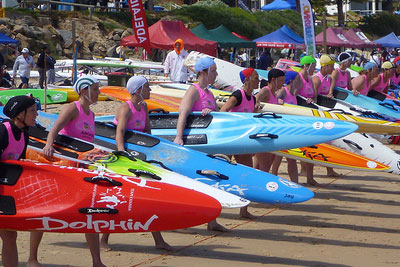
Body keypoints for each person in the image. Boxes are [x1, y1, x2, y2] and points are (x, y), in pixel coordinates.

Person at [32, 76, 106, 267]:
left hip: (81, 169)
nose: (99, 92)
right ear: (84, 91)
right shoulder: (73, 108)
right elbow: (54, 128)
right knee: (45, 209)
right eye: (96, 89)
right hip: (63, 167)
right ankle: (32, 258)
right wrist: (48, 145)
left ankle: (96, 261)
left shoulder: (91, 115)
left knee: (90, 212)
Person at [100, 76, 173, 252]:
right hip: (125, 160)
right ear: (138, 90)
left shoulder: (144, 106)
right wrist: (121, 152)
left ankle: (159, 240)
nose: (150, 90)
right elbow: (120, 132)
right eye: (147, 87)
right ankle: (103, 240)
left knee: (148, 198)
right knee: (118, 200)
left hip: (140, 158)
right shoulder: (126, 108)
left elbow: (148, 132)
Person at [173, 57, 227, 231]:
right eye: (213, 71)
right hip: (195, 144)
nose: (216, 74)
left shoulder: (209, 93)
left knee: (211, 181)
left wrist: (210, 111)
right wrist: (178, 137)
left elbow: (217, 116)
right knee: (193, 182)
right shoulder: (194, 90)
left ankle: (212, 221)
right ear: (203, 73)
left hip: (209, 146)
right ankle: (183, 218)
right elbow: (183, 113)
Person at [0, 95, 38, 267]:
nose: (36, 114)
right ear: (19, 114)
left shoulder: (24, 135)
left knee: (9, 236)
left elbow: (18, 166)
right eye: (32, 111)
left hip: (5, 191)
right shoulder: (3, 131)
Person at [220, 68, 259, 219]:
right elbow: (223, 111)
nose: (258, 81)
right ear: (247, 80)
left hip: (242, 141)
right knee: (221, 173)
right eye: (255, 78)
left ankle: (244, 210)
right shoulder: (238, 95)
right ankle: (217, 209)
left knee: (247, 174)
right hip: (228, 140)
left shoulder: (253, 98)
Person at [253, 69, 286, 173]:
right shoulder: (266, 90)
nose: (282, 83)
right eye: (281, 80)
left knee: (262, 164)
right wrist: (257, 103)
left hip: (270, 130)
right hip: (263, 131)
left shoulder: (274, 93)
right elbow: (255, 99)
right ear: (273, 80)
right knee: (266, 164)